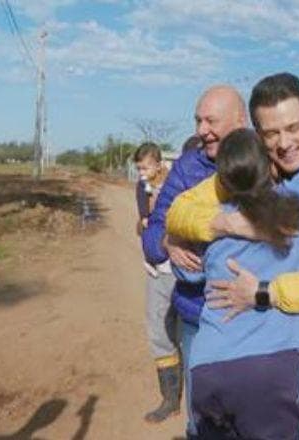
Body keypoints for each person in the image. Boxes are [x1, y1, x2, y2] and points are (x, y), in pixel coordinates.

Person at [166, 72, 299, 440]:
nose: (285, 143)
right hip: (287, 335)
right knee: (286, 420)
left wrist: (265, 291)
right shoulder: (259, 170)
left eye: (294, 127)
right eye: (271, 134)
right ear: (257, 136)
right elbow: (180, 210)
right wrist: (229, 224)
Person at [141, 85, 247, 431]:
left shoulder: (267, 161)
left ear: (241, 120)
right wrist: (169, 242)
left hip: (251, 320)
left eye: (212, 120)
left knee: (248, 418)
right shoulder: (188, 166)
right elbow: (153, 233)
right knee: (202, 421)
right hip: (197, 318)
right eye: (198, 120)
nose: (202, 130)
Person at [133, 142, 180, 423]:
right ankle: (171, 398)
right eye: (138, 168)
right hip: (157, 270)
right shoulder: (143, 189)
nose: (141, 173)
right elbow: (141, 224)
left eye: (145, 167)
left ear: (160, 164)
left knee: (187, 331)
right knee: (158, 329)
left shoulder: (177, 184)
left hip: (181, 269)